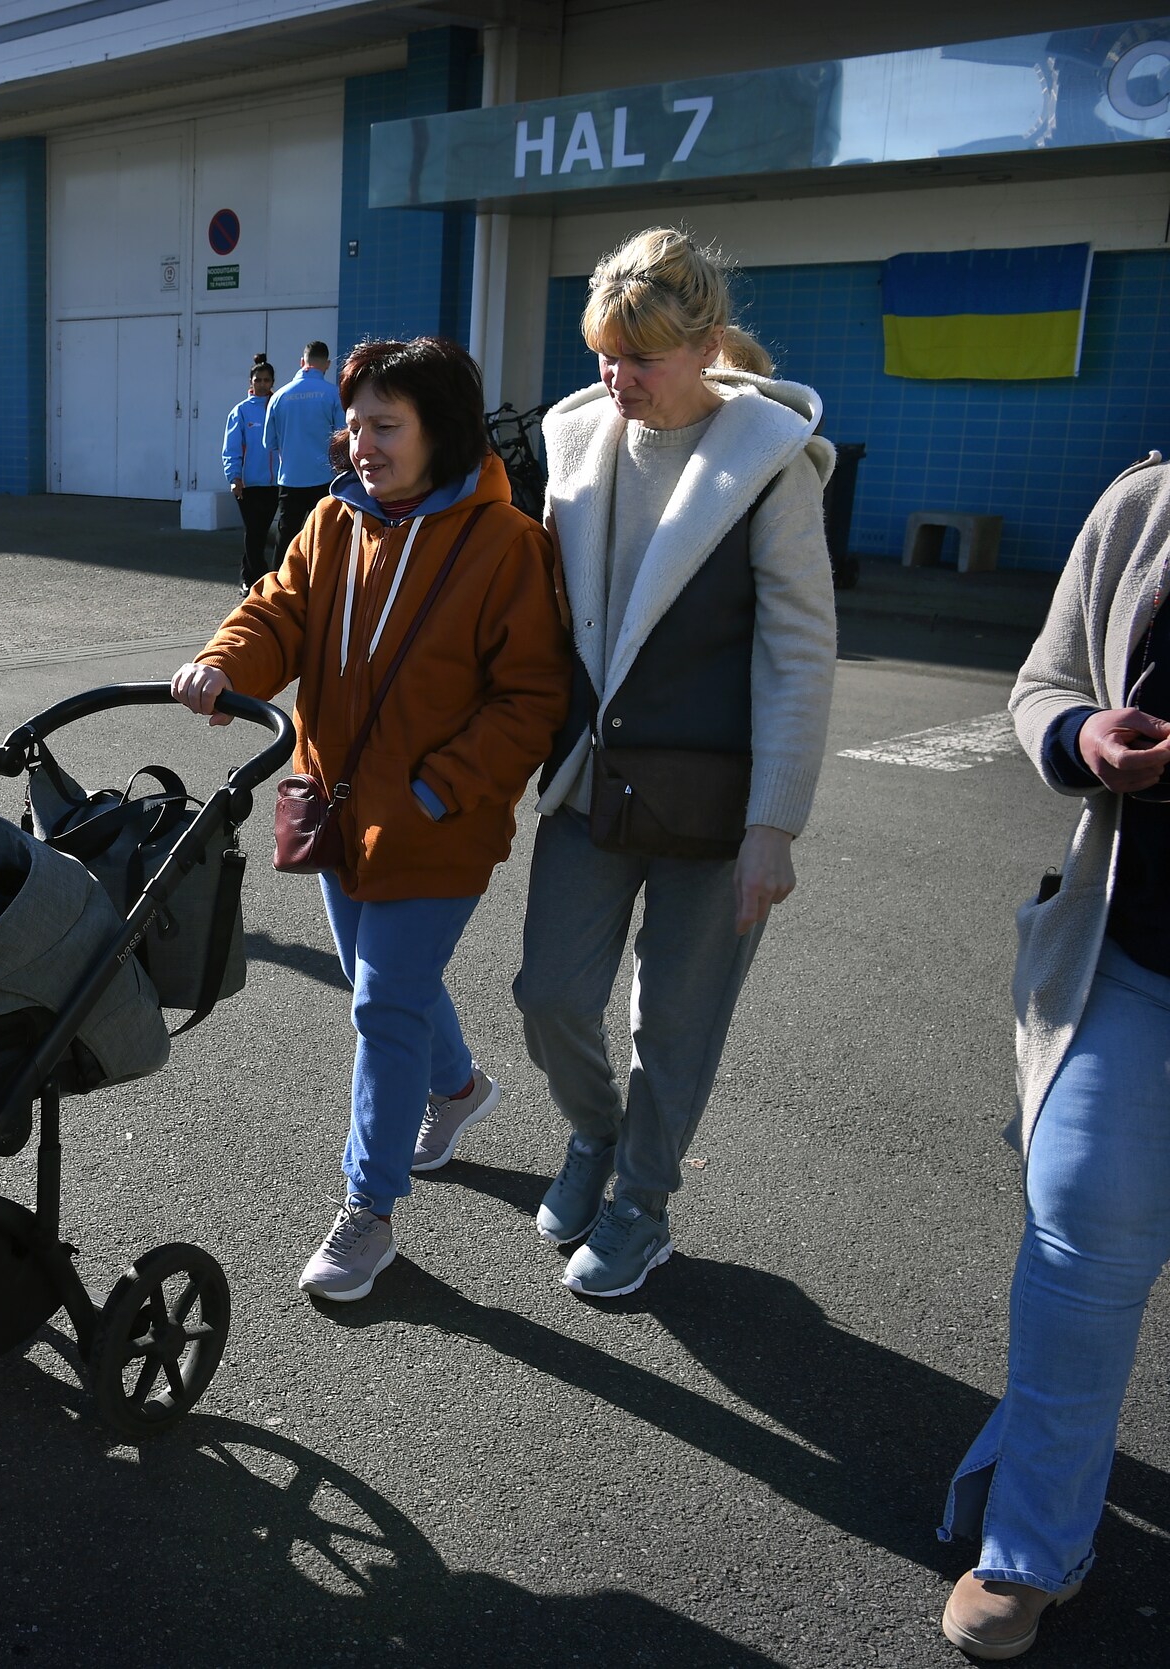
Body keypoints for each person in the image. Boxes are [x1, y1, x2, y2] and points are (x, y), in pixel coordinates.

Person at [173, 336, 567, 1302]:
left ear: (443, 430)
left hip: (437, 822)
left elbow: (530, 699)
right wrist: (228, 661)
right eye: (355, 425)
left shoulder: (508, 545)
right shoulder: (333, 521)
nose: (361, 445)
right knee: (377, 977)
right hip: (333, 801)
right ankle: (461, 1087)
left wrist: (439, 788)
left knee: (383, 1002)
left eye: (385, 426)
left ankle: (369, 1211)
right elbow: (279, 610)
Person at [511, 228, 836, 1299]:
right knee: (549, 993)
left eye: (639, 358)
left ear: (701, 348)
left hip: (718, 796)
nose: (617, 380)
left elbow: (796, 652)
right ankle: (592, 1135)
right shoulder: (576, 438)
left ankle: (641, 1203)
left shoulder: (767, 464)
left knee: (677, 1022)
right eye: (605, 353)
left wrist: (772, 827)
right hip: (590, 780)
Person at [937, 455, 1170, 1661]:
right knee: (1078, 1235)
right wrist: (1083, 734)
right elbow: (1043, 680)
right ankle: (1031, 1546)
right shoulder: (1143, 503)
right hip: (1132, 952)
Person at [265, 339, 345, 560]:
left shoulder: (279, 396)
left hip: (290, 478)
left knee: (286, 534)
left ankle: (279, 586)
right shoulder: (332, 394)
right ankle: (319, 584)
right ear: (327, 364)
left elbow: (268, 443)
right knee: (324, 535)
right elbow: (343, 436)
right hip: (324, 477)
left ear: (302, 361)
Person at [223, 354, 279, 585]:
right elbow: (232, 447)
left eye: (266, 380)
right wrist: (234, 477)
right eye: (258, 380)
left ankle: (246, 576)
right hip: (248, 484)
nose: (262, 384)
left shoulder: (279, 406)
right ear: (250, 382)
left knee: (260, 532)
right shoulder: (241, 411)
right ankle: (261, 580)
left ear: (272, 382)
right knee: (255, 532)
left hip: (275, 483)